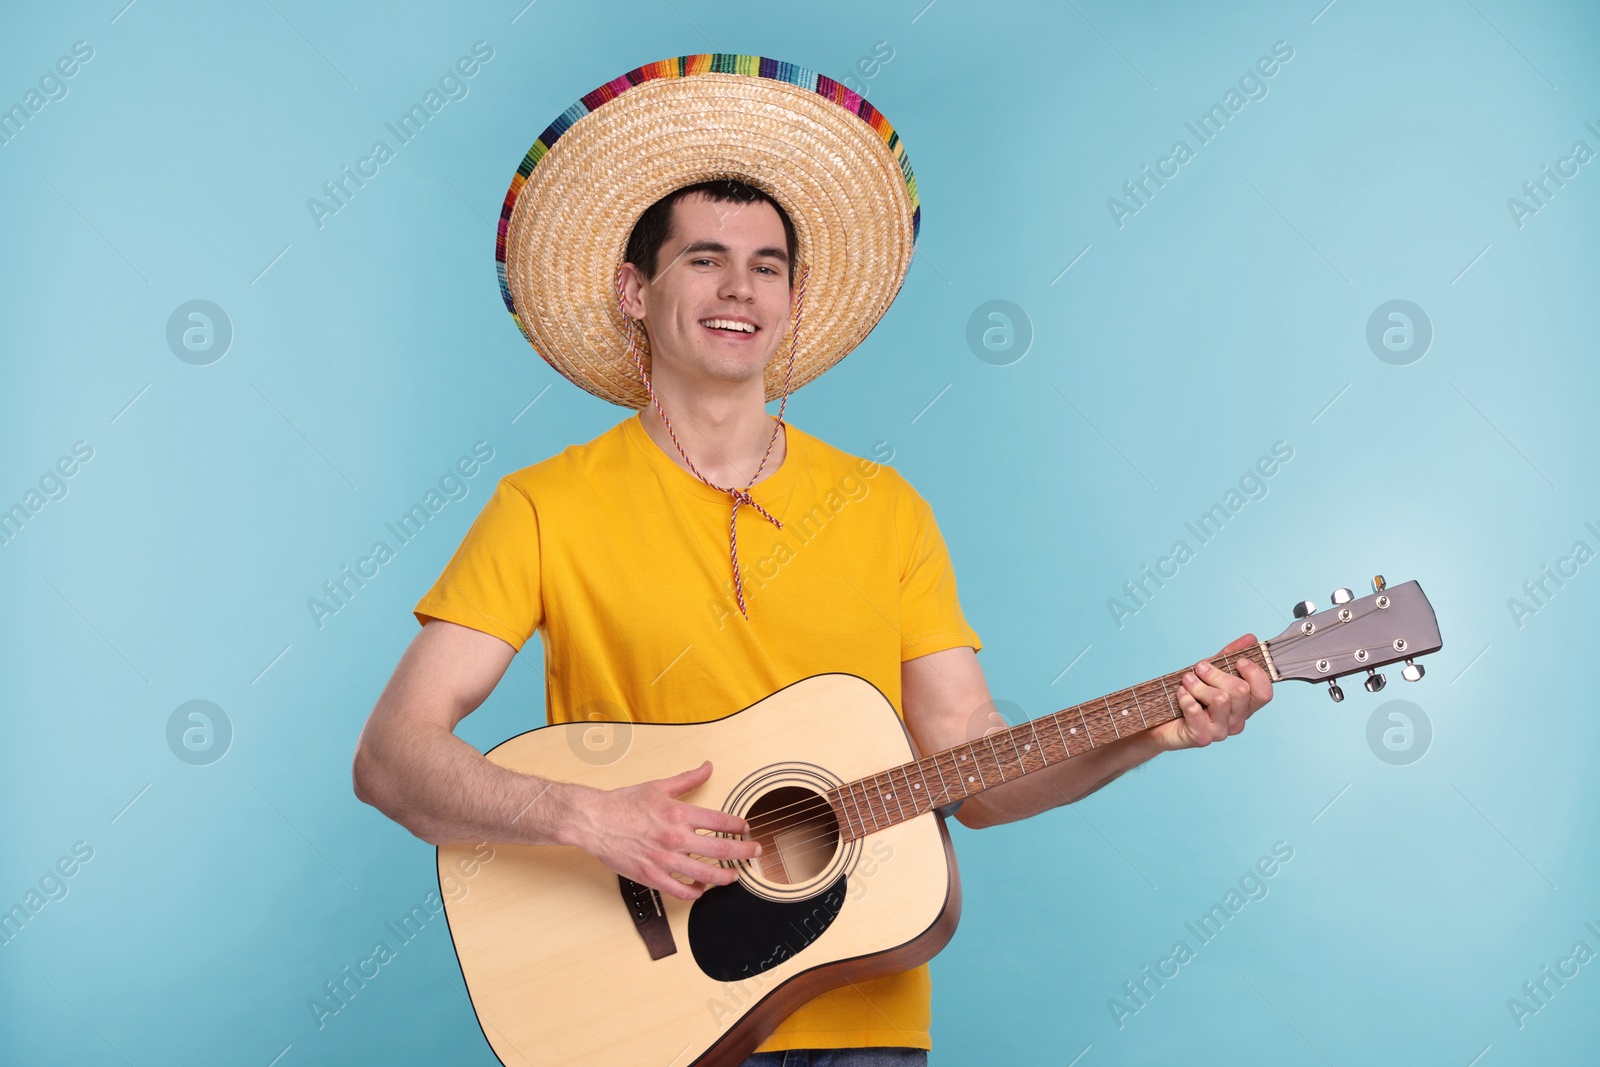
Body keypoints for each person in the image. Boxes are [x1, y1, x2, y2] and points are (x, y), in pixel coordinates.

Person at [351, 54, 1273, 1067]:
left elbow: (978, 772)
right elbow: (393, 756)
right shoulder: (542, 505)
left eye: (768, 264)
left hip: (864, 1017)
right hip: (636, 1027)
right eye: (703, 257)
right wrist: (584, 816)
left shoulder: (885, 511)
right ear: (634, 286)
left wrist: (1152, 729)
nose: (738, 287)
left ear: (791, 299)